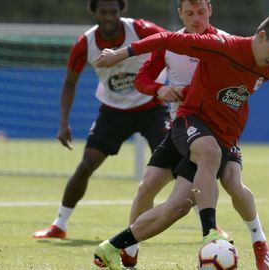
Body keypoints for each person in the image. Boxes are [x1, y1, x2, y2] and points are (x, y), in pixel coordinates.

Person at [93, 13, 269, 269]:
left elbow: (228, 93)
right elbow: (167, 38)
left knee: (177, 207)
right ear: (261, 36)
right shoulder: (222, 46)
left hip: (226, 134)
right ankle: (211, 233)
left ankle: (111, 247)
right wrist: (119, 54)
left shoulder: (268, 70)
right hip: (191, 121)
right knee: (206, 157)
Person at [32, 0, 169, 240]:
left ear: (121, 12)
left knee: (177, 164)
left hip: (151, 107)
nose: (108, 17)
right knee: (87, 164)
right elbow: (70, 83)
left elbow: (172, 41)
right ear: (94, 12)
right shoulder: (85, 44)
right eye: (103, 12)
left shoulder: (141, 29)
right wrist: (63, 123)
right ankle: (59, 225)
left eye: (113, 12)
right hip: (113, 111)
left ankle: (208, 226)